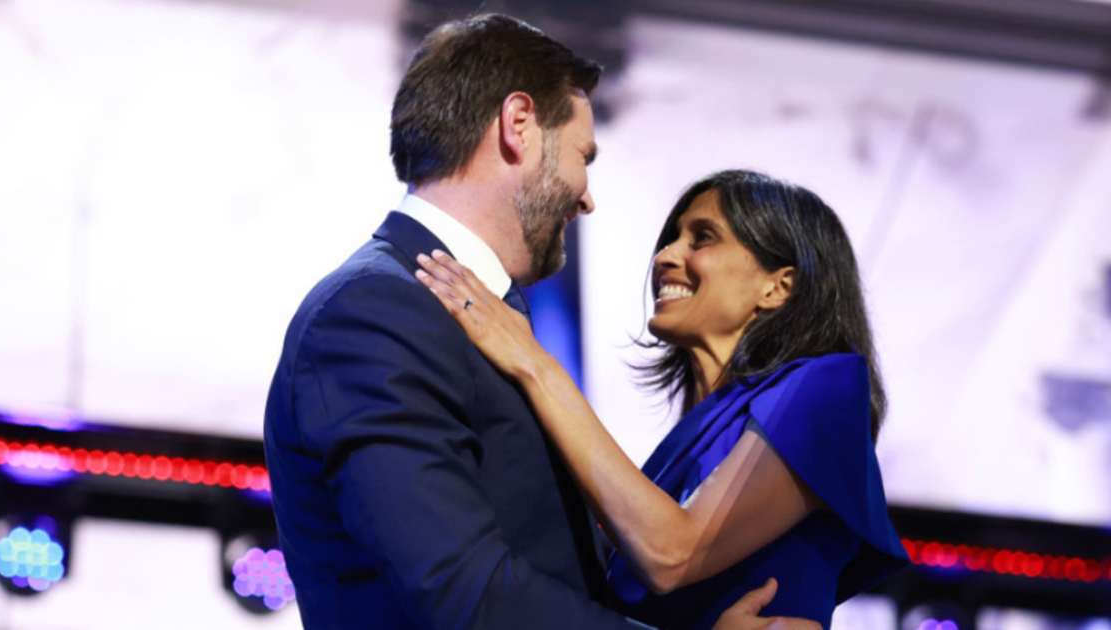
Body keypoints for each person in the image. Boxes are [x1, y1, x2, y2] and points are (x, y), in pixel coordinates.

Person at [263, 12, 816, 630]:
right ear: (518, 125)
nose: (586, 196)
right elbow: (461, 590)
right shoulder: (373, 314)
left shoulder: (465, 320)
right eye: (584, 156)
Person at [414, 169, 910, 628]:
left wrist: (533, 362)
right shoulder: (676, 453)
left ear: (778, 287)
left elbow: (671, 552)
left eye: (703, 238)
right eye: (674, 238)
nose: (666, 256)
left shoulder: (826, 387)